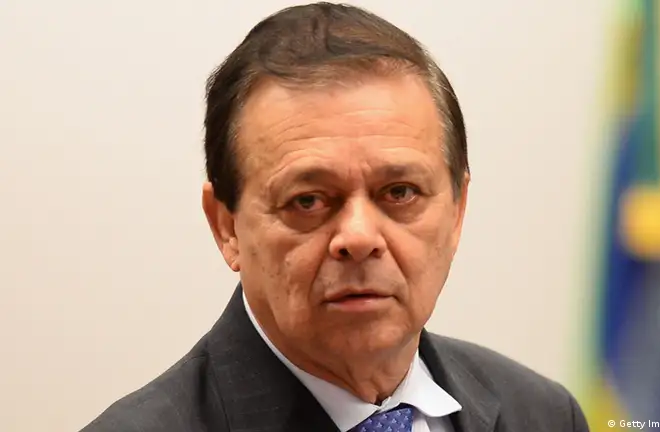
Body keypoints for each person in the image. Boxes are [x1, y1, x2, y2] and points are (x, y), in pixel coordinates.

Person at [81, 3, 589, 431]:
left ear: (457, 210)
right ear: (226, 227)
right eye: (308, 201)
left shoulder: (544, 414)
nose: (359, 237)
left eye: (400, 192)